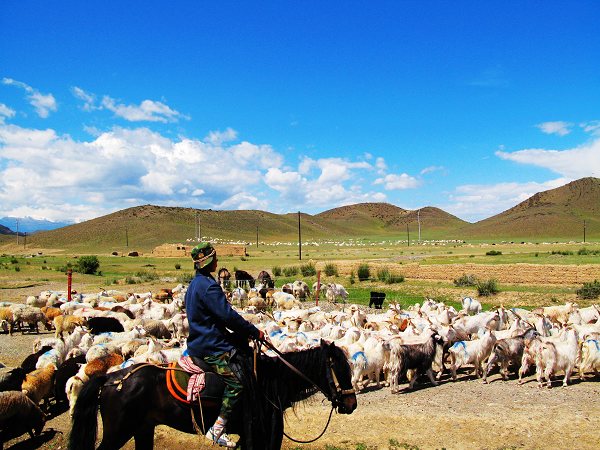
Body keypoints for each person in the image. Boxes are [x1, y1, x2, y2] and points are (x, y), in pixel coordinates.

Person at [184, 242, 265, 448]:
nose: (217, 262)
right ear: (209, 262)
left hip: (197, 342)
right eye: (215, 258)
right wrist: (253, 331)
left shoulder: (194, 284)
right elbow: (227, 315)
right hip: (212, 346)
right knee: (237, 382)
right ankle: (218, 428)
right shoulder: (208, 286)